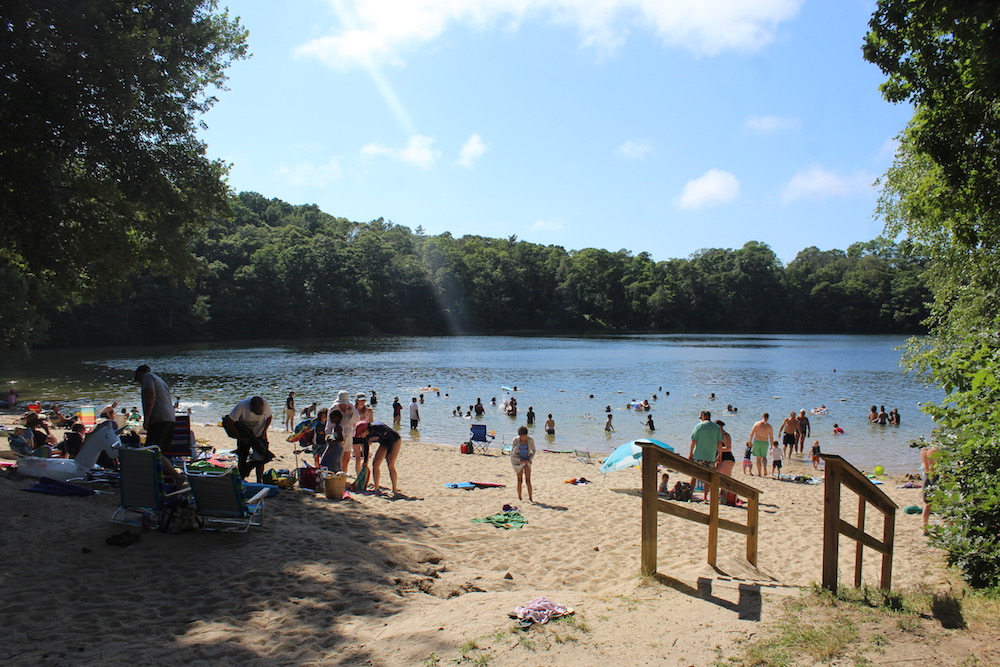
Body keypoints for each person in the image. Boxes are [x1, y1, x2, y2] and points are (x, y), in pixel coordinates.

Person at [222, 396, 274, 483]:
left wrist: (264, 432)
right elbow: (230, 422)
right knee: (242, 456)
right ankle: (242, 479)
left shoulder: (266, 405)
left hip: (259, 433)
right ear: (250, 407)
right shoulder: (241, 406)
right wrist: (240, 437)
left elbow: (269, 418)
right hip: (244, 432)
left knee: (262, 457)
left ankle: (259, 480)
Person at [355, 421, 402, 495]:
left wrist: (389, 453)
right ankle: (376, 488)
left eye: (360, 433)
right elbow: (366, 447)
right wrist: (365, 461)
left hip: (394, 440)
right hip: (384, 442)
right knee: (375, 464)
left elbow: (391, 439)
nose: (360, 436)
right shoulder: (365, 436)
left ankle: (394, 489)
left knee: (390, 464)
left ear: (365, 430)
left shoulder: (378, 428)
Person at [689, 410, 722, 490]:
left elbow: (693, 441)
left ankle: (690, 494)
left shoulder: (699, 426)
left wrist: (690, 454)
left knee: (694, 476)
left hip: (698, 455)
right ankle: (705, 497)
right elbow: (719, 443)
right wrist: (720, 455)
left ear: (703, 416)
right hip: (711, 456)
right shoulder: (716, 427)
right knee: (708, 478)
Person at [329, 391, 360, 474]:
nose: (343, 405)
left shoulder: (351, 406)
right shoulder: (333, 408)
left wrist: (351, 412)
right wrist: (328, 437)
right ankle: (337, 476)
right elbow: (329, 425)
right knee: (337, 458)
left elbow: (356, 420)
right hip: (337, 436)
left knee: (346, 458)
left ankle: (343, 477)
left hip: (349, 435)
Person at [510, 425, 535, 502]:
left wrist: (529, 459)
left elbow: (533, 451)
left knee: (528, 481)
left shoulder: (530, 440)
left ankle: (530, 498)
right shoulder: (515, 440)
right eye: (522, 436)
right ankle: (519, 497)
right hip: (517, 461)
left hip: (527, 460)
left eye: (524, 436)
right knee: (519, 480)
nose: (523, 438)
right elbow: (513, 454)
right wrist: (520, 460)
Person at [716, 420, 737, 504]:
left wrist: (718, 449)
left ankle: (726, 498)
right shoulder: (718, 436)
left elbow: (728, 448)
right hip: (722, 459)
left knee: (724, 479)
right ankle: (721, 496)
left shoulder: (725, 435)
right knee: (718, 477)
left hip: (728, 459)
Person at [921, 444, 939, 529]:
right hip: (935, 476)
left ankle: (925, 528)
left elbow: (924, 465)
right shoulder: (936, 451)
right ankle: (950, 527)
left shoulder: (924, 450)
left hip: (926, 476)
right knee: (944, 503)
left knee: (927, 504)